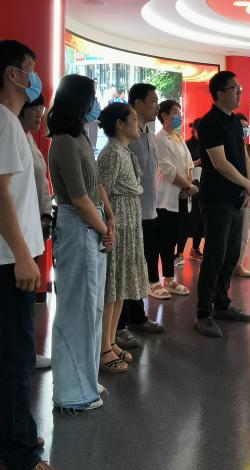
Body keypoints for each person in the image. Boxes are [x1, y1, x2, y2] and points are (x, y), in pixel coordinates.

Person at [0, 40, 74, 470]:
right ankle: (22, 459)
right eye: (31, 69)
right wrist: (23, 255)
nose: (35, 77)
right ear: (13, 74)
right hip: (5, 258)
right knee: (14, 357)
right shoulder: (2, 122)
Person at [47, 74, 114, 412]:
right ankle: (72, 392)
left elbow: (95, 184)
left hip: (93, 224)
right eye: (92, 97)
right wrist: (104, 227)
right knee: (77, 309)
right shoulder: (62, 142)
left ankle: (87, 380)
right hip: (78, 227)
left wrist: (109, 219)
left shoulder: (81, 137)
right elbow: (77, 197)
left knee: (93, 308)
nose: (96, 104)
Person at [194, 71, 250, 338]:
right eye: (234, 88)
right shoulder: (209, 123)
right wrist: (247, 183)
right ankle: (203, 313)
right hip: (217, 199)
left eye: (239, 88)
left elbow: (243, 154)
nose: (239, 92)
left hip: (236, 198)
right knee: (215, 256)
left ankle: (221, 303)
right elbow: (220, 163)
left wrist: (248, 185)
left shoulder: (234, 121)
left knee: (231, 255)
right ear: (220, 93)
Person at [96, 103, 150, 375]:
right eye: (134, 119)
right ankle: (102, 347)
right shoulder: (112, 153)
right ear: (119, 124)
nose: (138, 124)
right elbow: (100, 188)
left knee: (119, 287)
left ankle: (110, 340)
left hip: (129, 223)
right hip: (118, 223)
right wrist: (109, 217)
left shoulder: (124, 151)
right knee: (111, 288)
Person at [116, 83, 167, 343]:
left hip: (149, 210)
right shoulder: (126, 136)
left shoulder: (147, 131)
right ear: (137, 104)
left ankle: (137, 316)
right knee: (127, 267)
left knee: (140, 266)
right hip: (130, 212)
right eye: (153, 101)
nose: (157, 106)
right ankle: (120, 325)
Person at [20, 95, 54, 369]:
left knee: (27, 296)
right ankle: (21, 354)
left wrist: (45, 215)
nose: (38, 114)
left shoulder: (29, 139)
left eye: (41, 109)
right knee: (20, 295)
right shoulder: (15, 139)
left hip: (35, 223)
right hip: (23, 226)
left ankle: (25, 351)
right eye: (33, 108)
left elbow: (41, 182)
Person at [154, 99, 196, 296]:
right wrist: (187, 185)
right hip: (166, 197)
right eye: (175, 112)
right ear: (164, 115)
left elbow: (188, 163)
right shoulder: (160, 138)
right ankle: (156, 280)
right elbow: (167, 169)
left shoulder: (178, 137)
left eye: (180, 112)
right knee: (163, 239)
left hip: (183, 195)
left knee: (174, 238)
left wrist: (189, 183)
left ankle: (169, 278)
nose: (179, 116)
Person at [233, 111, 250, 278]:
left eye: (247, 127)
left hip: (246, 194)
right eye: (242, 126)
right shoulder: (228, 145)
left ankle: (238, 264)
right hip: (230, 194)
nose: (245, 130)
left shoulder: (247, 147)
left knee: (244, 231)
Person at [180, 119, 205, 259]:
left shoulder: (207, 144)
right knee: (188, 219)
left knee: (200, 220)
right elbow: (184, 165)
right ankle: (179, 252)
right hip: (190, 185)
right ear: (194, 130)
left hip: (204, 186)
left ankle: (195, 248)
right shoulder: (187, 145)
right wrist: (198, 162)